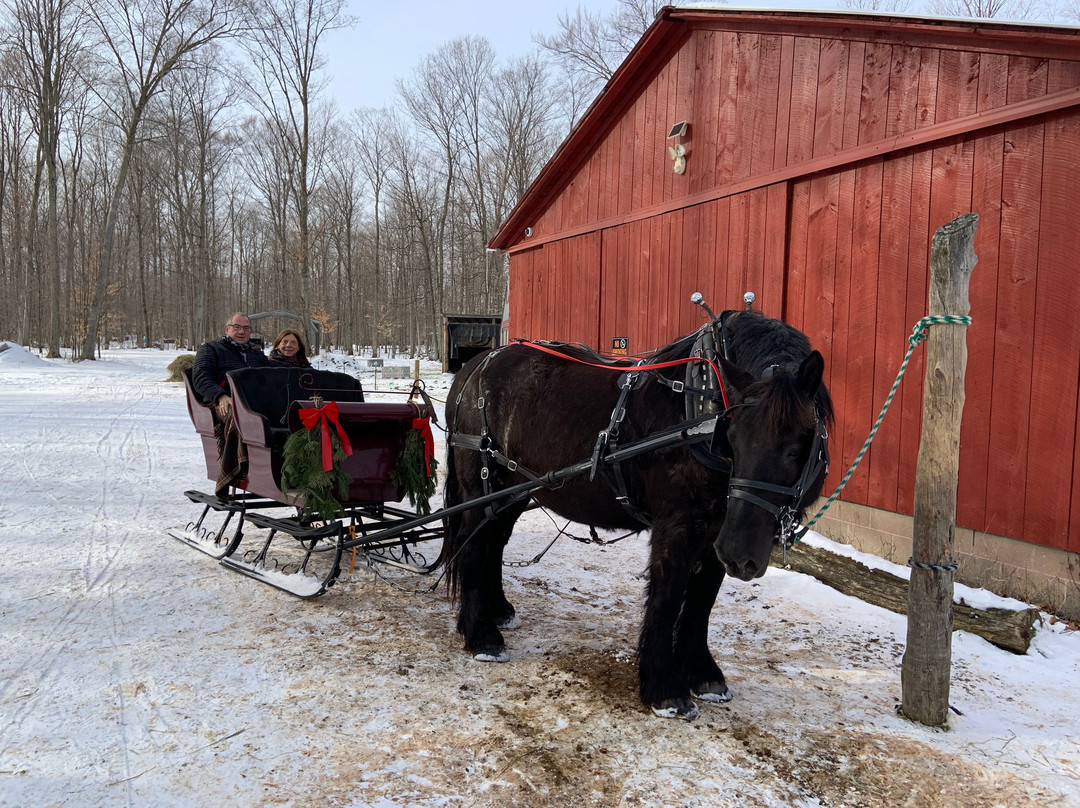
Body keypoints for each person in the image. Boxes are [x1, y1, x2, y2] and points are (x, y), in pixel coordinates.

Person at [191, 313, 271, 419]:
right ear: (227, 329)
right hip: (224, 401)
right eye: (236, 327)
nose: (241, 331)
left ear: (250, 332)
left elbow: (273, 373)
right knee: (239, 414)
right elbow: (201, 378)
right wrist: (220, 396)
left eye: (246, 328)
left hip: (256, 401)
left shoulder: (256, 354)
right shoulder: (210, 349)